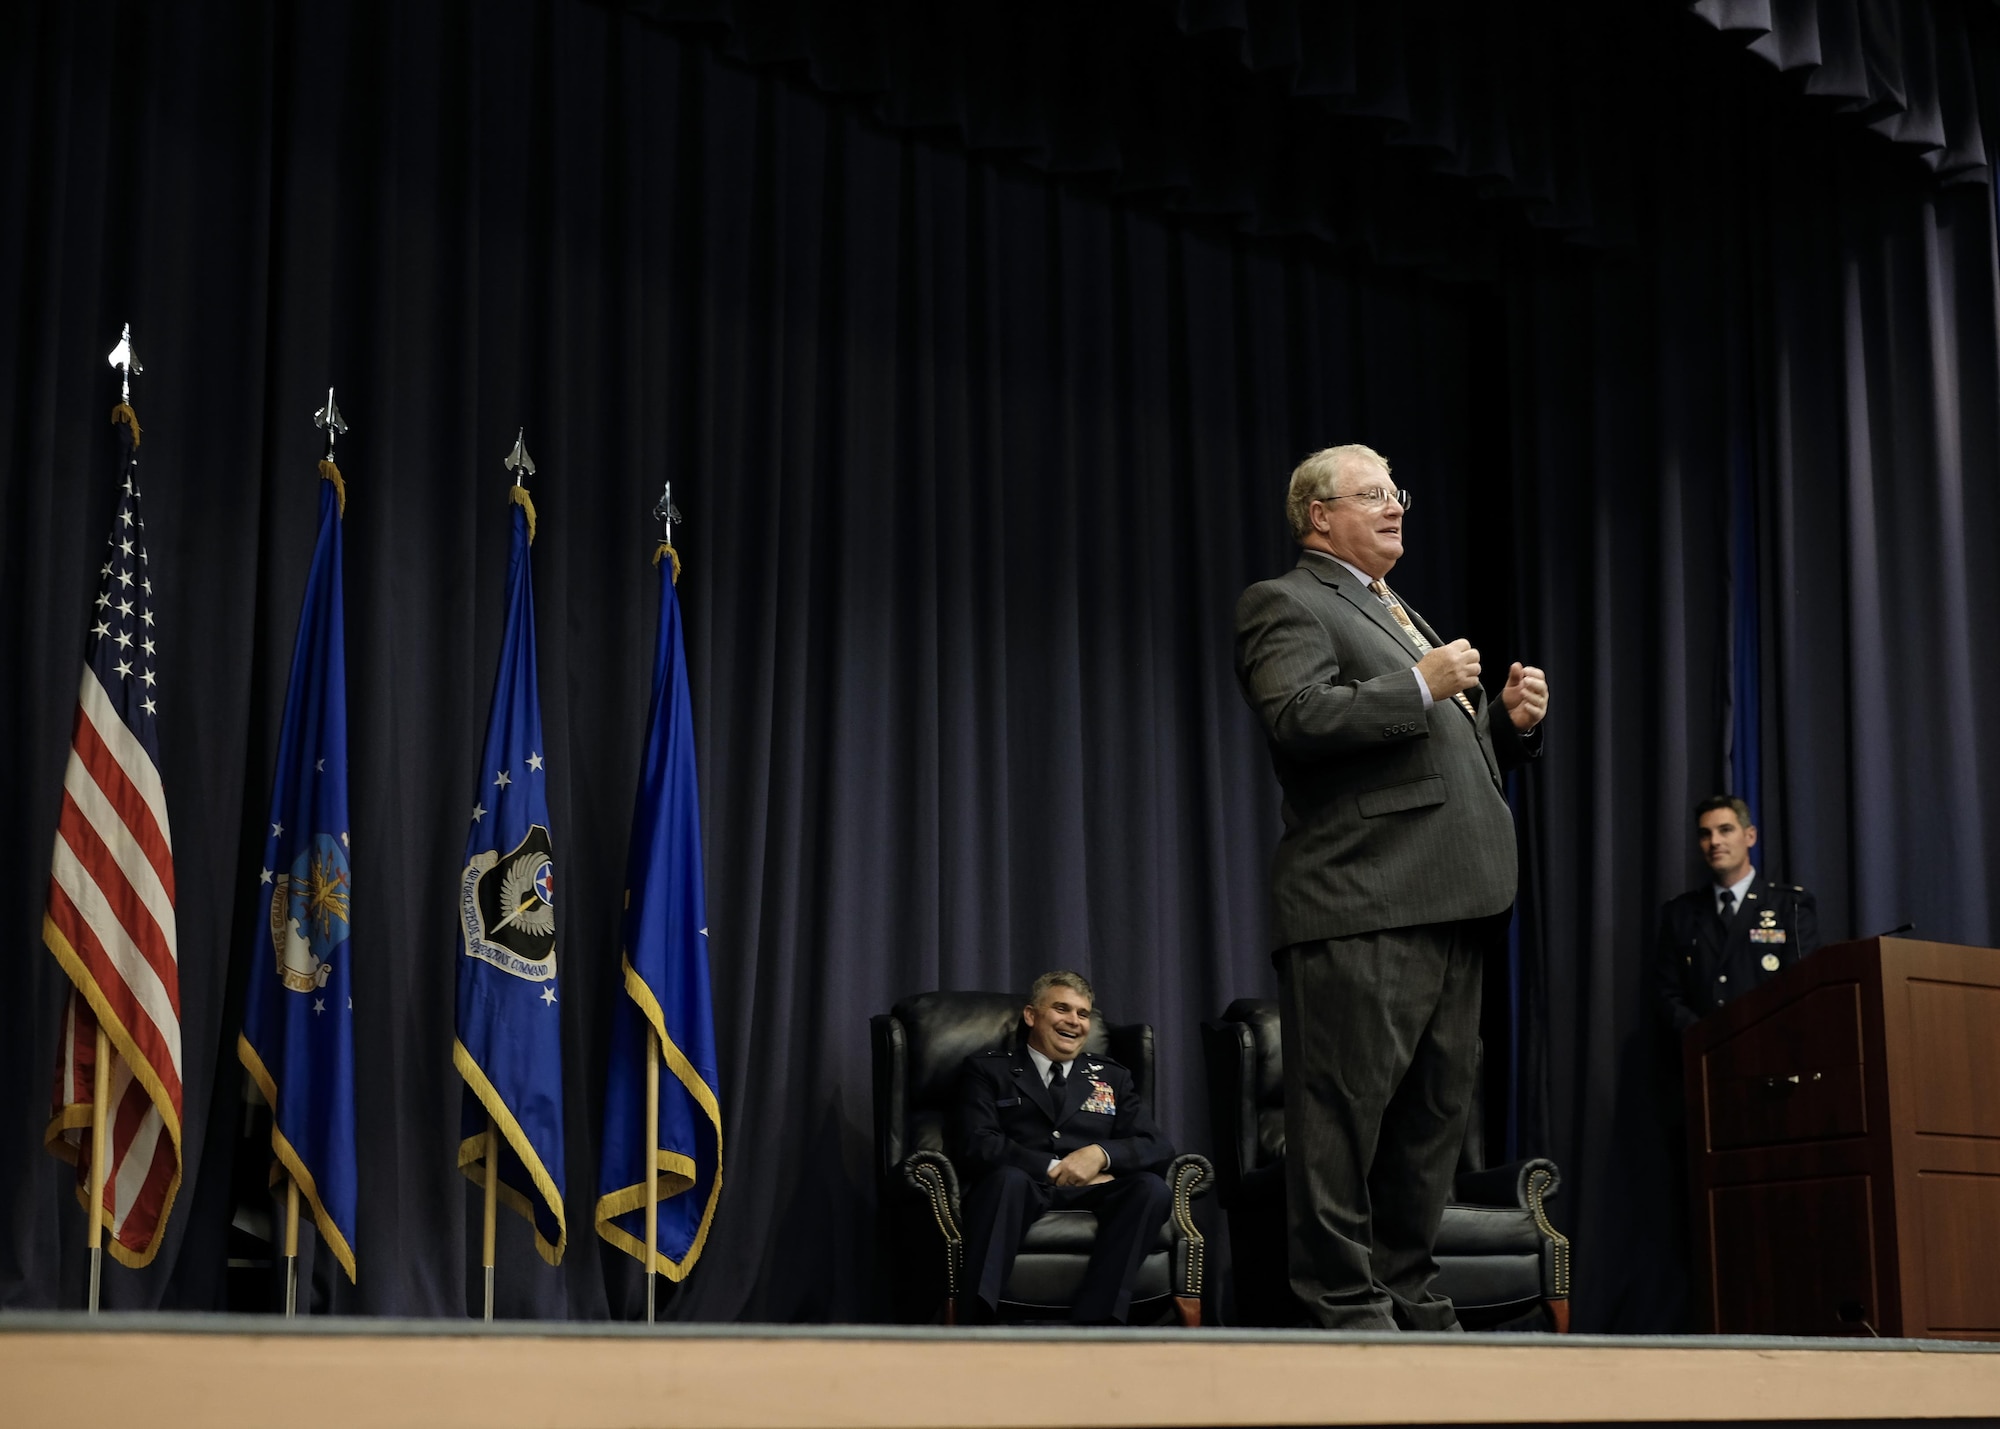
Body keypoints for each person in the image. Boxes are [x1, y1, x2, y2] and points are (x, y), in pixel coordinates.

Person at [1232, 444, 1548, 1331]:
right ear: (1316, 516)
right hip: (1362, 897)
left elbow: (1426, 752)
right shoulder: (1284, 601)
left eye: (1395, 491)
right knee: (1342, 1118)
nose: (1393, 505)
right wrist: (1419, 681)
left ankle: (1410, 1290)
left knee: (1432, 1118)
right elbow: (1298, 718)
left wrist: (1505, 726)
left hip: (1454, 901)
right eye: (1370, 493)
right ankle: (1343, 1304)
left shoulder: (1393, 606)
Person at [951, 971, 1173, 1324]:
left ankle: (1095, 1325)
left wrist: (1100, 1155)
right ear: (1031, 1015)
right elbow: (976, 1144)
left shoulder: (1111, 1077)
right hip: (1022, 1186)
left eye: (1083, 1014)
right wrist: (1055, 1168)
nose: (1074, 1021)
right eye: (1062, 1009)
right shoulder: (988, 1070)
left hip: (1093, 1190)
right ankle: (977, 1325)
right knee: (1006, 1181)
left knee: (1151, 1189)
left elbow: (1156, 1145)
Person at [1652, 795, 1819, 1032]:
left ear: (1750, 836)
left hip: (1770, 1050)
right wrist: (1704, 1038)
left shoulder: (1789, 906)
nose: (1715, 841)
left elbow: (1804, 986)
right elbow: (1667, 994)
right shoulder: (1681, 913)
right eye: (1705, 834)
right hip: (1703, 1054)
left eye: (1725, 830)